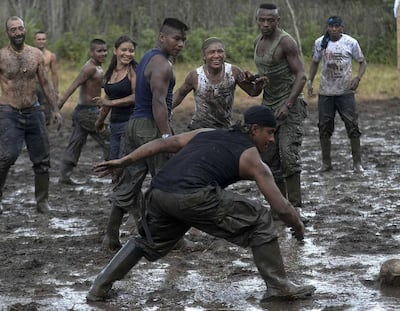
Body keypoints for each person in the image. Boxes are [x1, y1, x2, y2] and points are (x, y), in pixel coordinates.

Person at [86, 105, 316, 302]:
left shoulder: (207, 132)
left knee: (147, 241)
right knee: (260, 219)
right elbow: (281, 207)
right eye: (270, 132)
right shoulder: (252, 158)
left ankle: (100, 287)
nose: (272, 139)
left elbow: (165, 143)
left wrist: (125, 160)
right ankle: (278, 286)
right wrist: (298, 226)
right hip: (192, 196)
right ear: (254, 130)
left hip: (158, 193)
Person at [101, 18, 189, 252]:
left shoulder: (149, 56)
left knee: (129, 182)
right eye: (176, 39)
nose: (180, 44)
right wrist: (166, 137)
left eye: (183, 40)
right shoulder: (162, 65)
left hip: (133, 125)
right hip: (150, 127)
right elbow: (159, 103)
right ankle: (175, 238)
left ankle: (110, 237)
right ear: (162, 37)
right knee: (168, 182)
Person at [0, 16, 62, 214]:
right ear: (7, 33)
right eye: (13, 30)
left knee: (42, 159)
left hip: (34, 111)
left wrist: (55, 109)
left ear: (25, 30)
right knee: (7, 156)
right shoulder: (1, 56)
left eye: (20, 28)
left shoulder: (36, 54)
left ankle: (42, 201)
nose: (18, 32)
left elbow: (45, 83)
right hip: (9, 112)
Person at [254, 4, 308, 215]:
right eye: (262, 20)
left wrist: (288, 104)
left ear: (278, 21)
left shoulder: (286, 42)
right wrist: (256, 81)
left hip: (290, 105)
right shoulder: (257, 42)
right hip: (268, 107)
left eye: (271, 20)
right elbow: (266, 76)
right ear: (257, 20)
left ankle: (295, 208)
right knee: (269, 157)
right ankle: (279, 207)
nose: (266, 24)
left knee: (288, 154)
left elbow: (301, 75)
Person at [307, 16, 367, 173]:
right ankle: (326, 163)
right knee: (324, 126)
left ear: (342, 28)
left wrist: (357, 78)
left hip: (345, 92)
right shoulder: (320, 42)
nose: (333, 29)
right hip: (326, 92)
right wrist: (309, 82)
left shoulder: (350, 43)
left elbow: (363, 62)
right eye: (330, 26)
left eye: (337, 26)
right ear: (327, 28)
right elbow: (314, 62)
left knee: (352, 125)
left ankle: (357, 164)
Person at [173, 37, 267, 129]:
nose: (216, 55)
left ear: (225, 55)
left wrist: (259, 86)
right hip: (199, 127)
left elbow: (253, 92)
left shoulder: (233, 72)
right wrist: (164, 110)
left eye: (220, 51)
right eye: (211, 52)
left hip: (224, 128)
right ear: (204, 56)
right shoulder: (196, 76)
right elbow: (179, 94)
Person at [58, 38, 110, 185]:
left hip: (85, 112)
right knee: (109, 137)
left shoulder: (98, 67)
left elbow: (102, 85)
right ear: (91, 52)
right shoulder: (90, 68)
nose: (103, 53)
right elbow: (74, 85)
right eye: (99, 51)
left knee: (76, 142)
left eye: (105, 50)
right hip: (87, 112)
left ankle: (64, 176)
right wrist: (59, 105)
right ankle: (117, 171)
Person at [94, 35, 138, 163]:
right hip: (115, 124)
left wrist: (110, 103)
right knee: (113, 160)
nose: (128, 54)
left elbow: (136, 96)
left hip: (130, 123)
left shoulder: (133, 70)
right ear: (115, 51)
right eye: (124, 50)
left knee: (123, 163)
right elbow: (108, 96)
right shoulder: (111, 71)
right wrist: (100, 121)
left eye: (131, 51)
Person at [34, 31, 59, 126]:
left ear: (46, 40)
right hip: (33, 85)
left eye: (43, 39)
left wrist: (56, 91)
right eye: (39, 39)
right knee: (32, 109)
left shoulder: (50, 55)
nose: (41, 41)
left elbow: (54, 73)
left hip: (45, 85)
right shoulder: (30, 53)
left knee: (46, 111)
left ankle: (45, 128)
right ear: (35, 40)